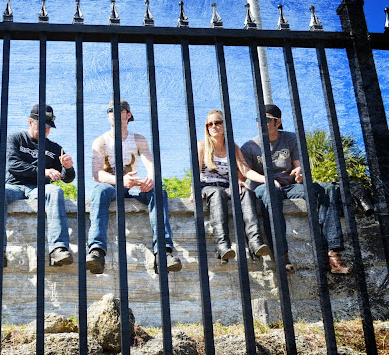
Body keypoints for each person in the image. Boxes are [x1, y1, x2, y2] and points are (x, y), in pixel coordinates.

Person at [240, 104, 351, 274]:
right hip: (264, 189)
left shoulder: (291, 139)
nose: (261, 123)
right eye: (258, 119)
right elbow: (245, 173)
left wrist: (300, 174)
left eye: (266, 119)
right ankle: (282, 256)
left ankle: (333, 254)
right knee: (272, 192)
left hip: (289, 187)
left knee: (328, 189)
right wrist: (268, 180)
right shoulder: (249, 146)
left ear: (278, 122)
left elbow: (299, 167)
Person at [87, 99, 182, 274]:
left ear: (128, 115)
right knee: (99, 191)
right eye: (110, 110)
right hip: (111, 186)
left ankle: (163, 253)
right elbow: (97, 174)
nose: (114, 113)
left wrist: (150, 179)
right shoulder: (100, 141)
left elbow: (150, 163)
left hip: (133, 186)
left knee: (158, 192)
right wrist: (120, 181)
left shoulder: (138, 139)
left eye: (119, 110)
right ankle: (96, 251)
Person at [0, 105, 75, 267]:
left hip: (39, 189)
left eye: (49, 127)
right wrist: (44, 172)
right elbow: (12, 165)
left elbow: (68, 179)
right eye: (42, 126)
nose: (46, 130)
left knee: (55, 191)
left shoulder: (55, 148)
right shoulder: (15, 139)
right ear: (30, 122)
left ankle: (58, 249)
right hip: (14, 186)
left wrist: (68, 167)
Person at [193, 109, 269, 262]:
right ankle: (222, 246)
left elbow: (245, 170)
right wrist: (193, 191)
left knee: (246, 192)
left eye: (217, 122)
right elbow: (195, 171)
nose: (213, 126)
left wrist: (267, 180)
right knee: (217, 193)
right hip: (208, 187)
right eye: (209, 124)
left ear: (224, 125)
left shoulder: (232, 147)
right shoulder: (202, 146)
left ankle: (255, 243)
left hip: (228, 187)